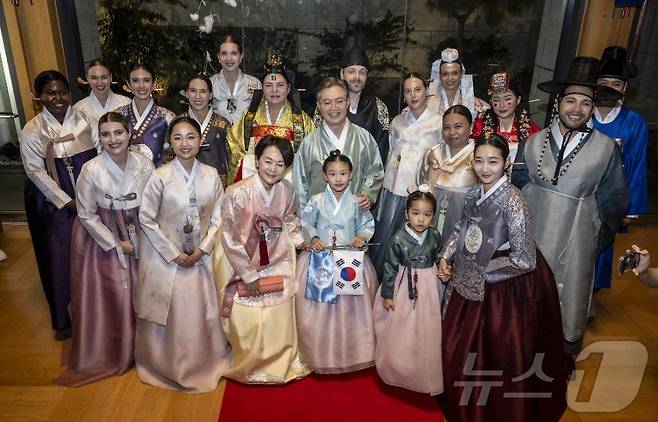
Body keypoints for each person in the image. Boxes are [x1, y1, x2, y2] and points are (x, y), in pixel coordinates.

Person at [438, 135, 567, 421]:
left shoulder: (513, 202)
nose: (485, 168)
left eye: (493, 161)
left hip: (503, 286)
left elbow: (524, 260)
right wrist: (445, 255)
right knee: (458, 346)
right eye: (479, 161)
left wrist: (480, 271)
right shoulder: (473, 194)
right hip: (469, 276)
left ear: (506, 163)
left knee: (496, 354)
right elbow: (462, 227)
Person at [512, 56, 630, 356]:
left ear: (592, 108)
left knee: (569, 303)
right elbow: (516, 187)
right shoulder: (533, 142)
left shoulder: (605, 149)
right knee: (525, 298)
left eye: (586, 103)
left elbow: (615, 202)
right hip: (532, 237)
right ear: (558, 102)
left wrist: (590, 238)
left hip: (577, 239)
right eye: (571, 100)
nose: (577, 109)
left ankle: (561, 361)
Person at [56, 112, 154, 386]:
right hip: (104, 232)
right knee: (114, 289)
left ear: (129, 134)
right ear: (100, 138)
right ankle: (115, 347)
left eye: (118, 132)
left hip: (140, 228)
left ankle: (146, 348)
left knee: (145, 288)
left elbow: (153, 201)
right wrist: (116, 242)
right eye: (106, 134)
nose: (113, 139)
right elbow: (86, 214)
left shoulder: (144, 164)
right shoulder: (91, 169)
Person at [135, 116, 230, 392]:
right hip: (167, 258)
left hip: (201, 256)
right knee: (173, 309)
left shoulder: (211, 175)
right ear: (170, 142)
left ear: (201, 141)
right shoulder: (160, 175)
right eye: (177, 137)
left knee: (203, 309)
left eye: (191, 137)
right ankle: (167, 364)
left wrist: (202, 249)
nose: (184, 143)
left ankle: (206, 360)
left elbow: (219, 216)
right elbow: (147, 218)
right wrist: (173, 253)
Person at [219, 135, 310, 384]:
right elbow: (229, 237)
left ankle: (279, 361)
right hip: (241, 259)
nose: (273, 169)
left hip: (276, 255)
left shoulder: (287, 190)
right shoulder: (237, 192)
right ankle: (250, 364)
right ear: (256, 161)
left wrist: (302, 241)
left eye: (280, 164)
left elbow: (289, 220)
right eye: (268, 161)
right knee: (248, 312)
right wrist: (249, 275)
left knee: (279, 307)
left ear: (287, 167)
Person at [19, 70, 98, 336]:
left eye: (62, 92)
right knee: (58, 254)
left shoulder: (85, 120)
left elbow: (98, 157)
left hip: (87, 193)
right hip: (50, 199)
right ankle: (64, 319)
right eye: (50, 93)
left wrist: (91, 195)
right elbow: (35, 171)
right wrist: (66, 201)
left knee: (93, 253)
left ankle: (95, 312)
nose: (57, 98)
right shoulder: (32, 130)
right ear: (39, 96)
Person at [296, 150, 377, 374]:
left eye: (343, 173)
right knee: (320, 309)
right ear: (324, 176)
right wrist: (313, 238)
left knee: (350, 310)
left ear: (351, 175)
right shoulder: (317, 201)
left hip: (349, 261)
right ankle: (319, 352)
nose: (338, 178)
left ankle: (351, 351)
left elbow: (367, 225)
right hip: (321, 260)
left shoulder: (357, 202)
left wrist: (362, 237)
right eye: (333, 174)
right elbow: (306, 222)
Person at [370, 73, 442, 278]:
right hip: (393, 185)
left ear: (426, 92)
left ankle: (411, 282)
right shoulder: (397, 121)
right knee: (386, 236)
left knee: (414, 233)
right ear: (404, 97)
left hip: (419, 186)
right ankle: (382, 282)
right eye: (408, 91)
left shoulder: (437, 123)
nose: (413, 95)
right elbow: (391, 151)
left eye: (417, 89)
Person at [373, 188, 443, 395]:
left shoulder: (435, 236)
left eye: (427, 214)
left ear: (433, 216)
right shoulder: (398, 239)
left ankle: (422, 367)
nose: (421, 219)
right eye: (416, 213)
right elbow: (389, 267)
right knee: (401, 325)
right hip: (404, 284)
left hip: (429, 283)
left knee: (426, 325)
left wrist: (443, 266)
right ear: (406, 213)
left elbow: (438, 256)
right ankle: (398, 366)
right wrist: (387, 294)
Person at [593, 46, 649, 290]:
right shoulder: (581, 114)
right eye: (603, 82)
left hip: (611, 197)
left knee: (602, 246)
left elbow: (637, 165)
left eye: (615, 84)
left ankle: (591, 292)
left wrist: (630, 208)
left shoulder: (634, 123)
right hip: (580, 193)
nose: (608, 88)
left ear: (625, 88)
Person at [292, 77, 384, 210]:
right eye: (327, 102)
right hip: (318, 220)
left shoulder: (364, 138)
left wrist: (367, 195)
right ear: (318, 105)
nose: (333, 108)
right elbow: (299, 186)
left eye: (339, 101)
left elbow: (375, 172)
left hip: (354, 217)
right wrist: (306, 221)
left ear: (347, 102)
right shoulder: (308, 143)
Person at [226, 54, 314, 182]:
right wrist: (253, 163)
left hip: (288, 178)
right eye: (268, 85)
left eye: (280, 85)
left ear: (288, 88)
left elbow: (309, 153)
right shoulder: (249, 117)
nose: (274, 90)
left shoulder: (301, 120)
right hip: (253, 178)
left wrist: (286, 167)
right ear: (262, 88)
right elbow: (234, 144)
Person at [314, 38, 390, 162]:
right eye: (351, 72)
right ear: (342, 74)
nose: (357, 77)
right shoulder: (327, 107)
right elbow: (317, 145)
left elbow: (381, 152)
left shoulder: (378, 108)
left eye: (362, 72)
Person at [416, 105, 478, 238]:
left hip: (464, 222)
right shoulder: (433, 153)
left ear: (471, 127)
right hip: (429, 220)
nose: (452, 132)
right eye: (446, 127)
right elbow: (419, 188)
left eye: (458, 126)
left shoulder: (478, 157)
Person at [472, 68, 540, 162]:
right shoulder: (480, 126)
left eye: (507, 99)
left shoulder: (531, 130)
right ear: (491, 102)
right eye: (496, 100)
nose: (502, 105)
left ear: (518, 100)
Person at [115, 63, 175, 165]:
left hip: (158, 178)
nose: (141, 86)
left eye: (146, 80)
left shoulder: (168, 117)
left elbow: (174, 156)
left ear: (154, 83)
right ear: (128, 84)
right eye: (135, 81)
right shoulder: (117, 116)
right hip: (123, 178)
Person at [179, 74, 232, 182]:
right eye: (193, 91)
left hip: (217, 184)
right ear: (186, 94)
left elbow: (232, 160)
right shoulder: (177, 124)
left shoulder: (223, 124)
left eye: (203, 91)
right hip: (183, 184)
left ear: (211, 95)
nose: (198, 96)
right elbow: (167, 157)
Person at [210, 35, 262, 124]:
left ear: (241, 56)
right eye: (224, 53)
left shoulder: (254, 83)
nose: (229, 58)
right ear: (218, 57)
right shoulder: (210, 83)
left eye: (234, 53)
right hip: (218, 136)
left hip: (246, 136)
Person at [427, 47, 489, 118]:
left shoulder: (475, 103)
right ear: (439, 75)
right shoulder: (427, 103)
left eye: (455, 73)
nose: (450, 78)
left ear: (462, 73)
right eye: (445, 74)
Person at [73, 59, 131, 130]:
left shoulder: (126, 103)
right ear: (87, 78)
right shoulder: (78, 109)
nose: (100, 83)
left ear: (111, 77)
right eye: (94, 78)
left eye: (104, 77)